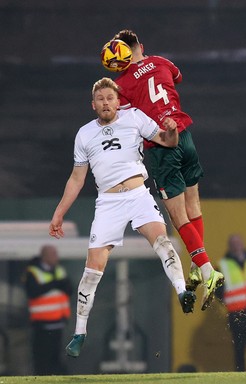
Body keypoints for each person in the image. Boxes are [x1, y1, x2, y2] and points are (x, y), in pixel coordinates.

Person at [49, 77, 196, 358]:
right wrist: (59, 213)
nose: (106, 102)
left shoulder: (134, 117)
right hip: (107, 202)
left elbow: (166, 141)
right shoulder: (84, 134)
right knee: (92, 269)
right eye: (101, 99)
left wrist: (172, 131)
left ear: (118, 102)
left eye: (110, 97)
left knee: (162, 242)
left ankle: (182, 291)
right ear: (93, 105)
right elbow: (77, 178)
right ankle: (79, 333)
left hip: (138, 194)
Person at [111, 29, 224, 310]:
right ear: (141, 46)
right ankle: (199, 267)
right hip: (184, 134)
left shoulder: (121, 84)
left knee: (176, 214)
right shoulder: (162, 61)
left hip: (162, 144)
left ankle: (208, 271)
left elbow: (123, 119)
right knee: (193, 203)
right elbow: (177, 77)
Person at [24, 245, 72, 375]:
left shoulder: (59, 270)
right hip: (42, 324)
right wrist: (55, 283)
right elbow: (32, 292)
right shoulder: (33, 272)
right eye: (53, 254)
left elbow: (69, 289)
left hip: (58, 322)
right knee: (41, 356)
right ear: (44, 256)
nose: (56, 257)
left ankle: (56, 375)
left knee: (55, 355)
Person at [218, 234, 246, 371]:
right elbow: (218, 290)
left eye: (238, 242)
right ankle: (241, 374)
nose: (236, 245)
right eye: (233, 243)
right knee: (239, 348)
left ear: (243, 244)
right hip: (237, 313)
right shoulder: (223, 266)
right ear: (230, 246)